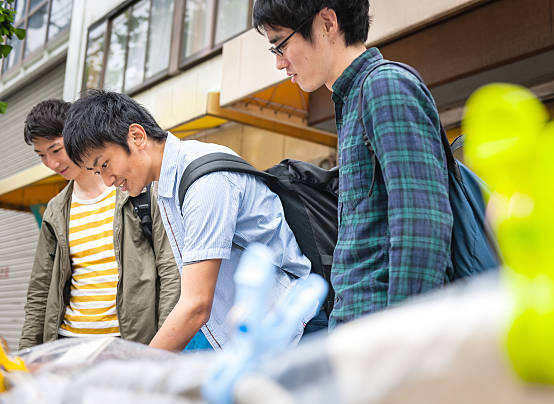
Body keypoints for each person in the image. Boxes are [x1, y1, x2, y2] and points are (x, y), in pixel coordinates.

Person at [61, 90, 313, 351]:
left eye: (104, 164)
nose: (107, 181)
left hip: (294, 334)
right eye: (96, 172)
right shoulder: (168, 183)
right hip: (258, 340)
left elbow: (196, 305)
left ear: (137, 137)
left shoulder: (204, 182)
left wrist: (141, 367)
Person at [253, 0, 454, 328]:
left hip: (382, 340)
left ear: (327, 24)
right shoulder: (355, 98)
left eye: (281, 45)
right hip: (361, 334)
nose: (279, 63)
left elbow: (422, 225)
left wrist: (403, 342)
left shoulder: (384, 87)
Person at [19, 99, 181, 350]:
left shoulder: (139, 192)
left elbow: (171, 272)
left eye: (56, 150)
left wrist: (162, 351)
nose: (51, 164)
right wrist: (24, 358)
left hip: (130, 345)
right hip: (68, 345)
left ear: (76, 139)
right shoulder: (55, 210)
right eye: (41, 155)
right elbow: (39, 291)